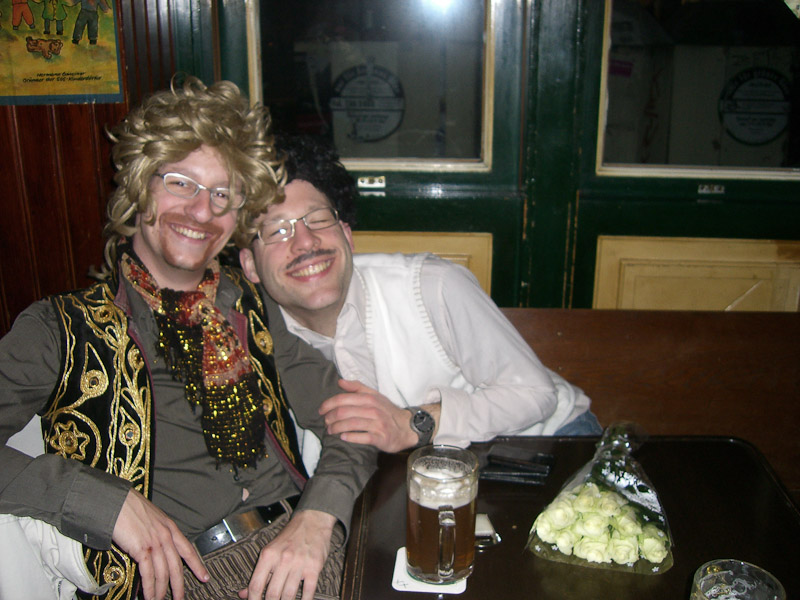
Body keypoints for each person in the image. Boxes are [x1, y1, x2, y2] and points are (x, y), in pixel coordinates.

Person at [0, 79, 376, 600]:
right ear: (139, 186)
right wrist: (103, 501)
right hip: (185, 579)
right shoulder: (60, 329)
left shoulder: (252, 306)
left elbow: (354, 423)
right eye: (181, 183)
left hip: (303, 552)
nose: (202, 211)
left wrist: (318, 517)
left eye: (222, 194)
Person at [239, 135, 602, 472]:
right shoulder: (250, 336)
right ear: (250, 264)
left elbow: (535, 395)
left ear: (347, 235)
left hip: (547, 442)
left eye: (318, 220)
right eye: (277, 231)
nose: (305, 242)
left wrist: (411, 424)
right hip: (432, 475)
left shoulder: (431, 284)